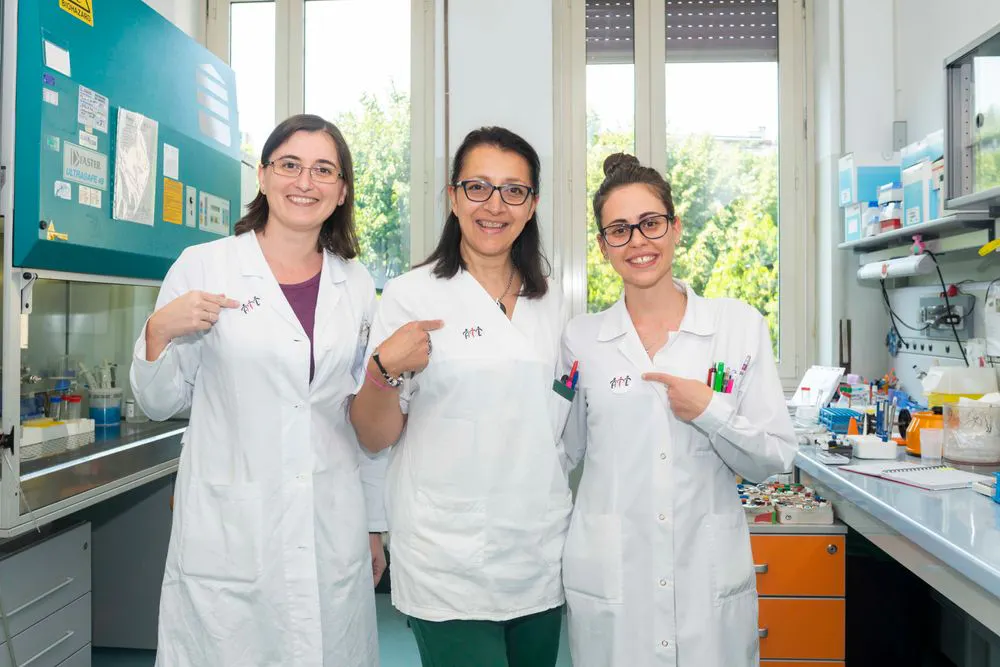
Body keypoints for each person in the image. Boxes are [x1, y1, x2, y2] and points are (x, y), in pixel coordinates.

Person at [131, 114, 385, 666]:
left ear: (342, 191)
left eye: (323, 170)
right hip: (232, 530)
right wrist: (158, 332)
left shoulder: (356, 283)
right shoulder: (205, 266)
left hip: (329, 518)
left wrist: (373, 522)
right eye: (290, 165)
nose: (305, 182)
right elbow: (159, 402)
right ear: (264, 177)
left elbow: (357, 412)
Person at [559, 153, 797, 667]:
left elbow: (774, 457)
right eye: (619, 230)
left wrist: (711, 410)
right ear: (603, 246)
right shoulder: (582, 340)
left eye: (650, 223)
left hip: (704, 585)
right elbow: (561, 452)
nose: (637, 241)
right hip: (615, 585)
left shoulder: (738, 327)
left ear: (676, 228)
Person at [350, 127, 572, 667]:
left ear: (532, 205)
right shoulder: (412, 295)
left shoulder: (552, 301)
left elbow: (558, 424)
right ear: (453, 197)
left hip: (539, 546)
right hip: (447, 551)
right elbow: (373, 435)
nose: (494, 205)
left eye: (513, 190)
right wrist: (382, 371)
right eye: (478, 187)